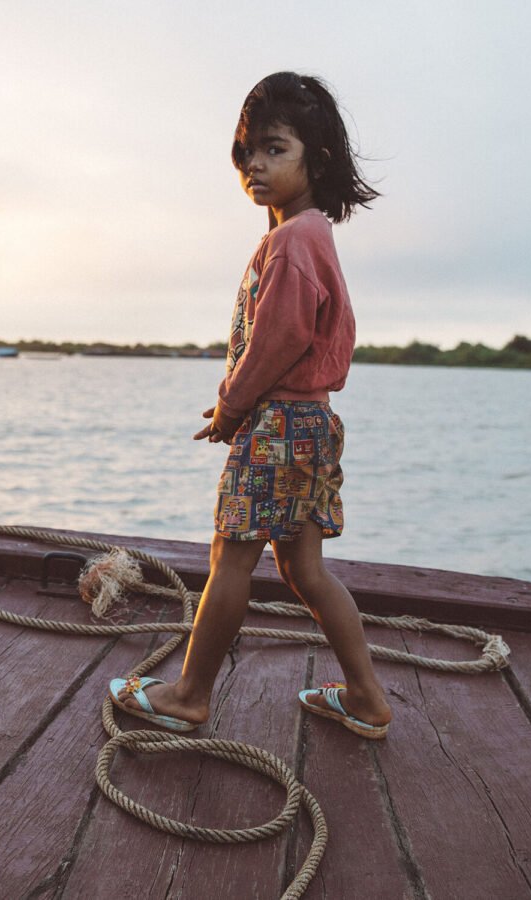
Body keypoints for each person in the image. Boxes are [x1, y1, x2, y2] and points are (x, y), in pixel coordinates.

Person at [110, 72, 392, 739]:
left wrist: (233, 407)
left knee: (229, 559)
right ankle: (368, 699)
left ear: (315, 159)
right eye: (245, 152)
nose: (254, 166)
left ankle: (187, 696)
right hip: (312, 422)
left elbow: (281, 338)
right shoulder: (312, 234)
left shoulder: (294, 239)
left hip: (276, 424)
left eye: (273, 149)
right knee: (302, 568)